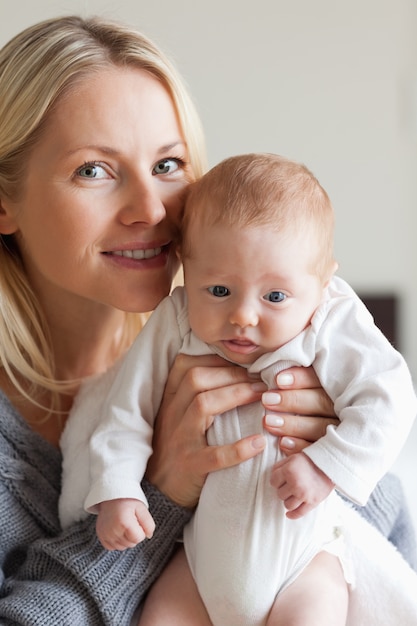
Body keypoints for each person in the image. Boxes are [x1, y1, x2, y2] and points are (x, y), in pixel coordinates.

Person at [0, 14, 414, 626]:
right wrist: (162, 495)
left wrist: (321, 440)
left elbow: (390, 555)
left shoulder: (266, 336)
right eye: (94, 170)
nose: (151, 209)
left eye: (168, 165)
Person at [60, 153, 417, 626]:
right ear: (188, 266)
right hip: (199, 562)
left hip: (303, 562)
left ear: (322, 282)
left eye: (274, 297)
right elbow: (128, 409)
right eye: (219, 290)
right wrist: (118, 490)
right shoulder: (178, 318)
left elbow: (388, 396)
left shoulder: (329, 318)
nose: (243, 316)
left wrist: (326, 465)